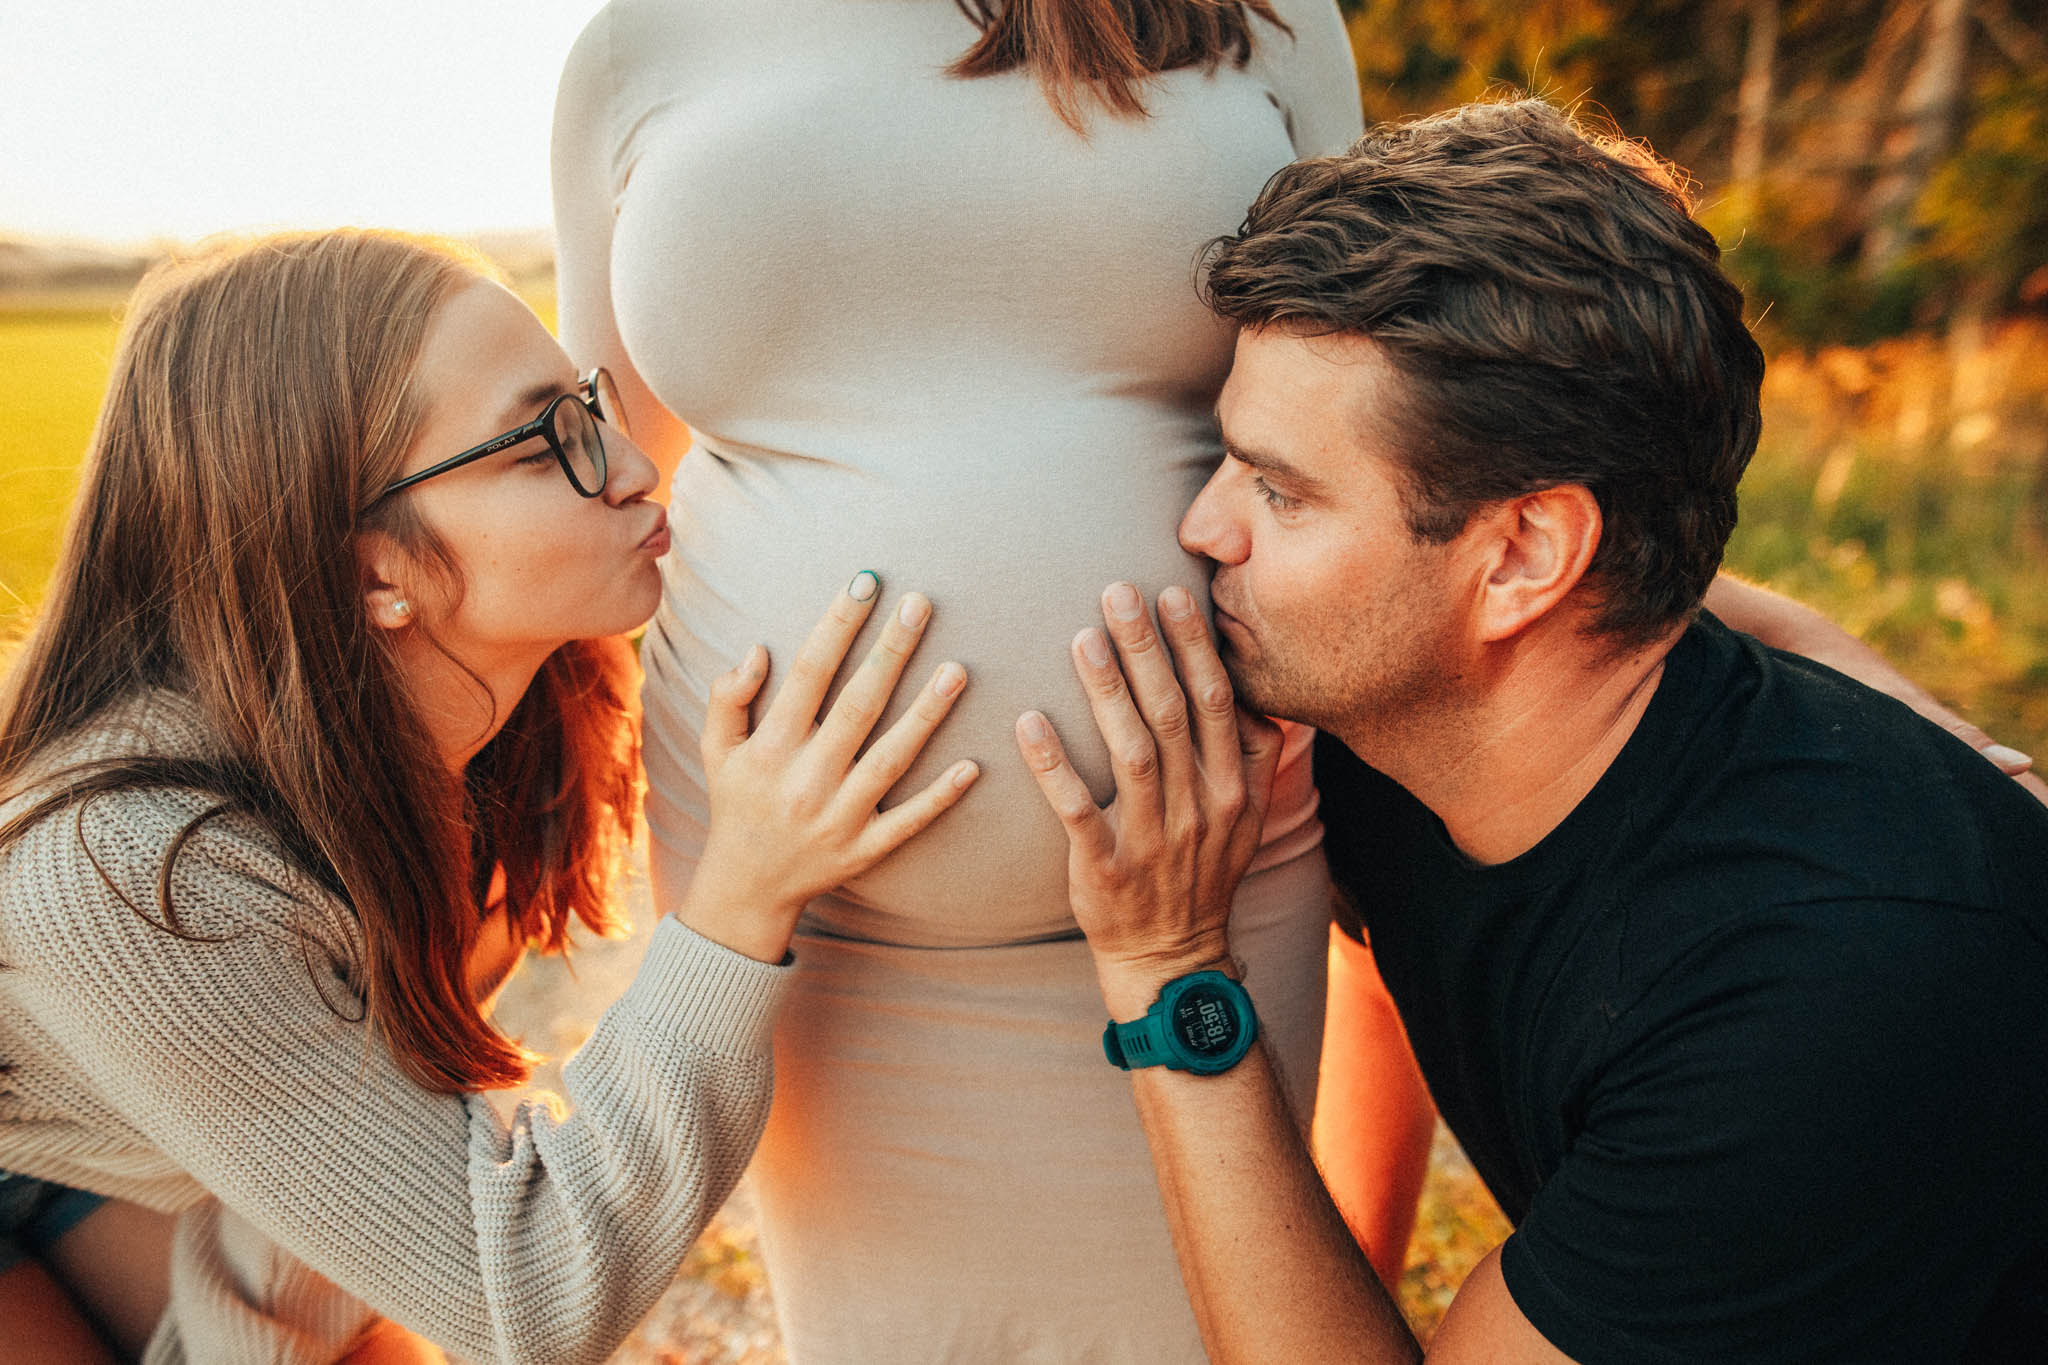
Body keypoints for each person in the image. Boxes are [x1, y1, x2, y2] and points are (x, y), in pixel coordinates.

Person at [1017, 99, 2048, 1362]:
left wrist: (1169, 972)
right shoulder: (1437, 711)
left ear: (1520, 557)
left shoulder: (1819, 996)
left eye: (1279, 491)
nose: (1201, 528)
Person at [548, 2, 1446, 1357]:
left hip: (1203, 856)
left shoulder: (1260, 15)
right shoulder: (645, 43)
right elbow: (595, 471)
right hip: (795, 901)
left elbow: (1380, 406)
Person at [0, 229, 977, 1363]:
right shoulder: (131, 874)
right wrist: (743, 897)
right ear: (373, 569)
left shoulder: (524, 708)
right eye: (544, 442)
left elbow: (372, 1148)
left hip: (133, 1131)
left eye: (589, 404)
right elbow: (527, 1292)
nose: (632, 467)